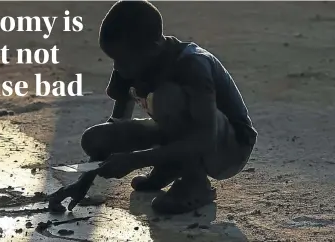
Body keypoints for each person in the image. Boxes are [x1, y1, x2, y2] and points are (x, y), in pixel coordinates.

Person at [81, 0, 258, 215]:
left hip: (227, 148)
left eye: (122, 61)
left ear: (153, 49)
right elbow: (119, 124)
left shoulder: (192, 65)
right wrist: (83, 183)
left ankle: (195, 182)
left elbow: (204, 139)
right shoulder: (130, 60)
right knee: (96, 139)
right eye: (114, 60)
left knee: (167, 98)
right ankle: (171, 164)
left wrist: (136, 160)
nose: (118, 67)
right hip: (178, 133)